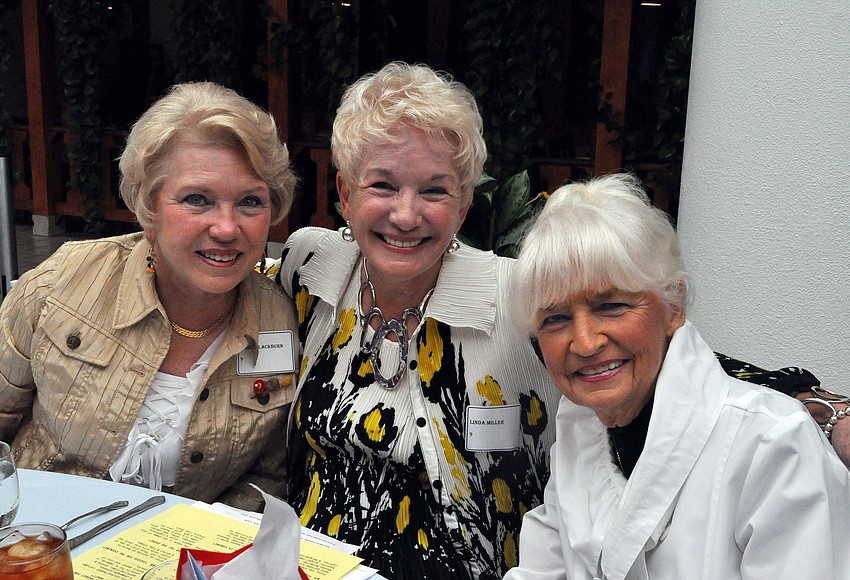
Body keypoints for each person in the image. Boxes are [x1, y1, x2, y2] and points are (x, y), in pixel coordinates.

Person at [277, 62, 562, 579]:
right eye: (383, 186)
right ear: (344, 194)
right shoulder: (309, 269)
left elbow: (636, 358)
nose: (406, 216)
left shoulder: (522, 297)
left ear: (464, 205)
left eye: (434, 191)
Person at [504, 173, 850, 579]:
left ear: (673, 306)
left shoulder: (772, 442)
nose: (584, 342)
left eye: (612, 306)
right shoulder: (580, 431)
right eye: (556, 319)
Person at [0, 82, 299, 511]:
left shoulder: (278, 320)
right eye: (197, 199)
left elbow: (267, 477)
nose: (228, 228)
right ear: (148, 207)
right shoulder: (65, 283)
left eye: (250, 202)